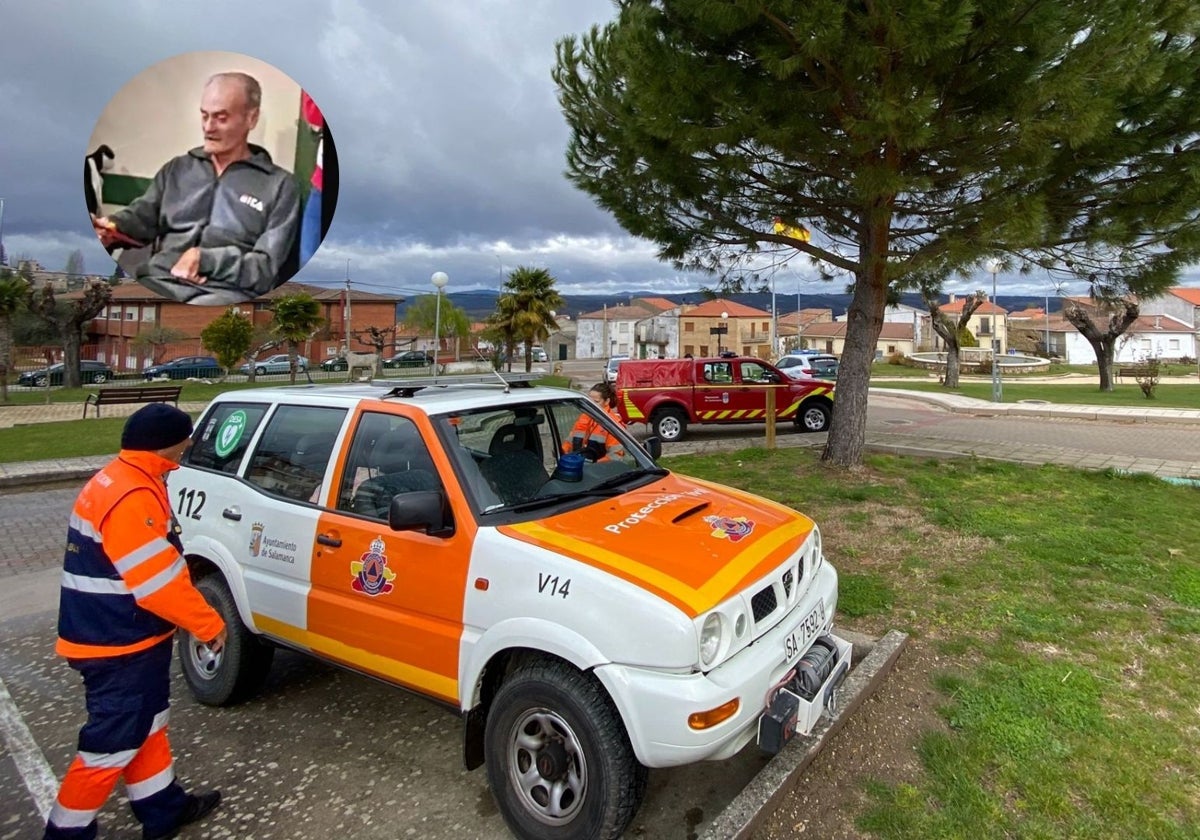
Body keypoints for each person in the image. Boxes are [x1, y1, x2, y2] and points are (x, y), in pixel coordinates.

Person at [44, 404, 227, 840]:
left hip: (117, 636)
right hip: (117, 644)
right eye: (187, 439)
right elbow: (157, 583)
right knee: (109, 746)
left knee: (147, 725)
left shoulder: (122, 477)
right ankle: (66, 832)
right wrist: (208, 624)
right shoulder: (133, 495)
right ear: (170, 445)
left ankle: (162, 808)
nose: (189, 446)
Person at [91, 71, 300, 306]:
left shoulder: (280, 185)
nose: (208, 128)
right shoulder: (177, 169)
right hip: (159, 280)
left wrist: (205, 259)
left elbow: (265, 268)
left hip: (225, 294)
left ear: (251, 118)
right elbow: (142, 216)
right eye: (204, 116)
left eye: (221, 118)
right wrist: (111, 226)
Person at [563, 382, 627, 462]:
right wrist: (563, 451)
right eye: (589, 401)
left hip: (600, 471)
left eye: (596, 402)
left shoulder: (613, 423)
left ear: (607, 401)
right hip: (578, 466)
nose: (591, 405)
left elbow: (615, 455)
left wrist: (595, 466)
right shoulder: (584, 417)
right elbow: (570, 439)